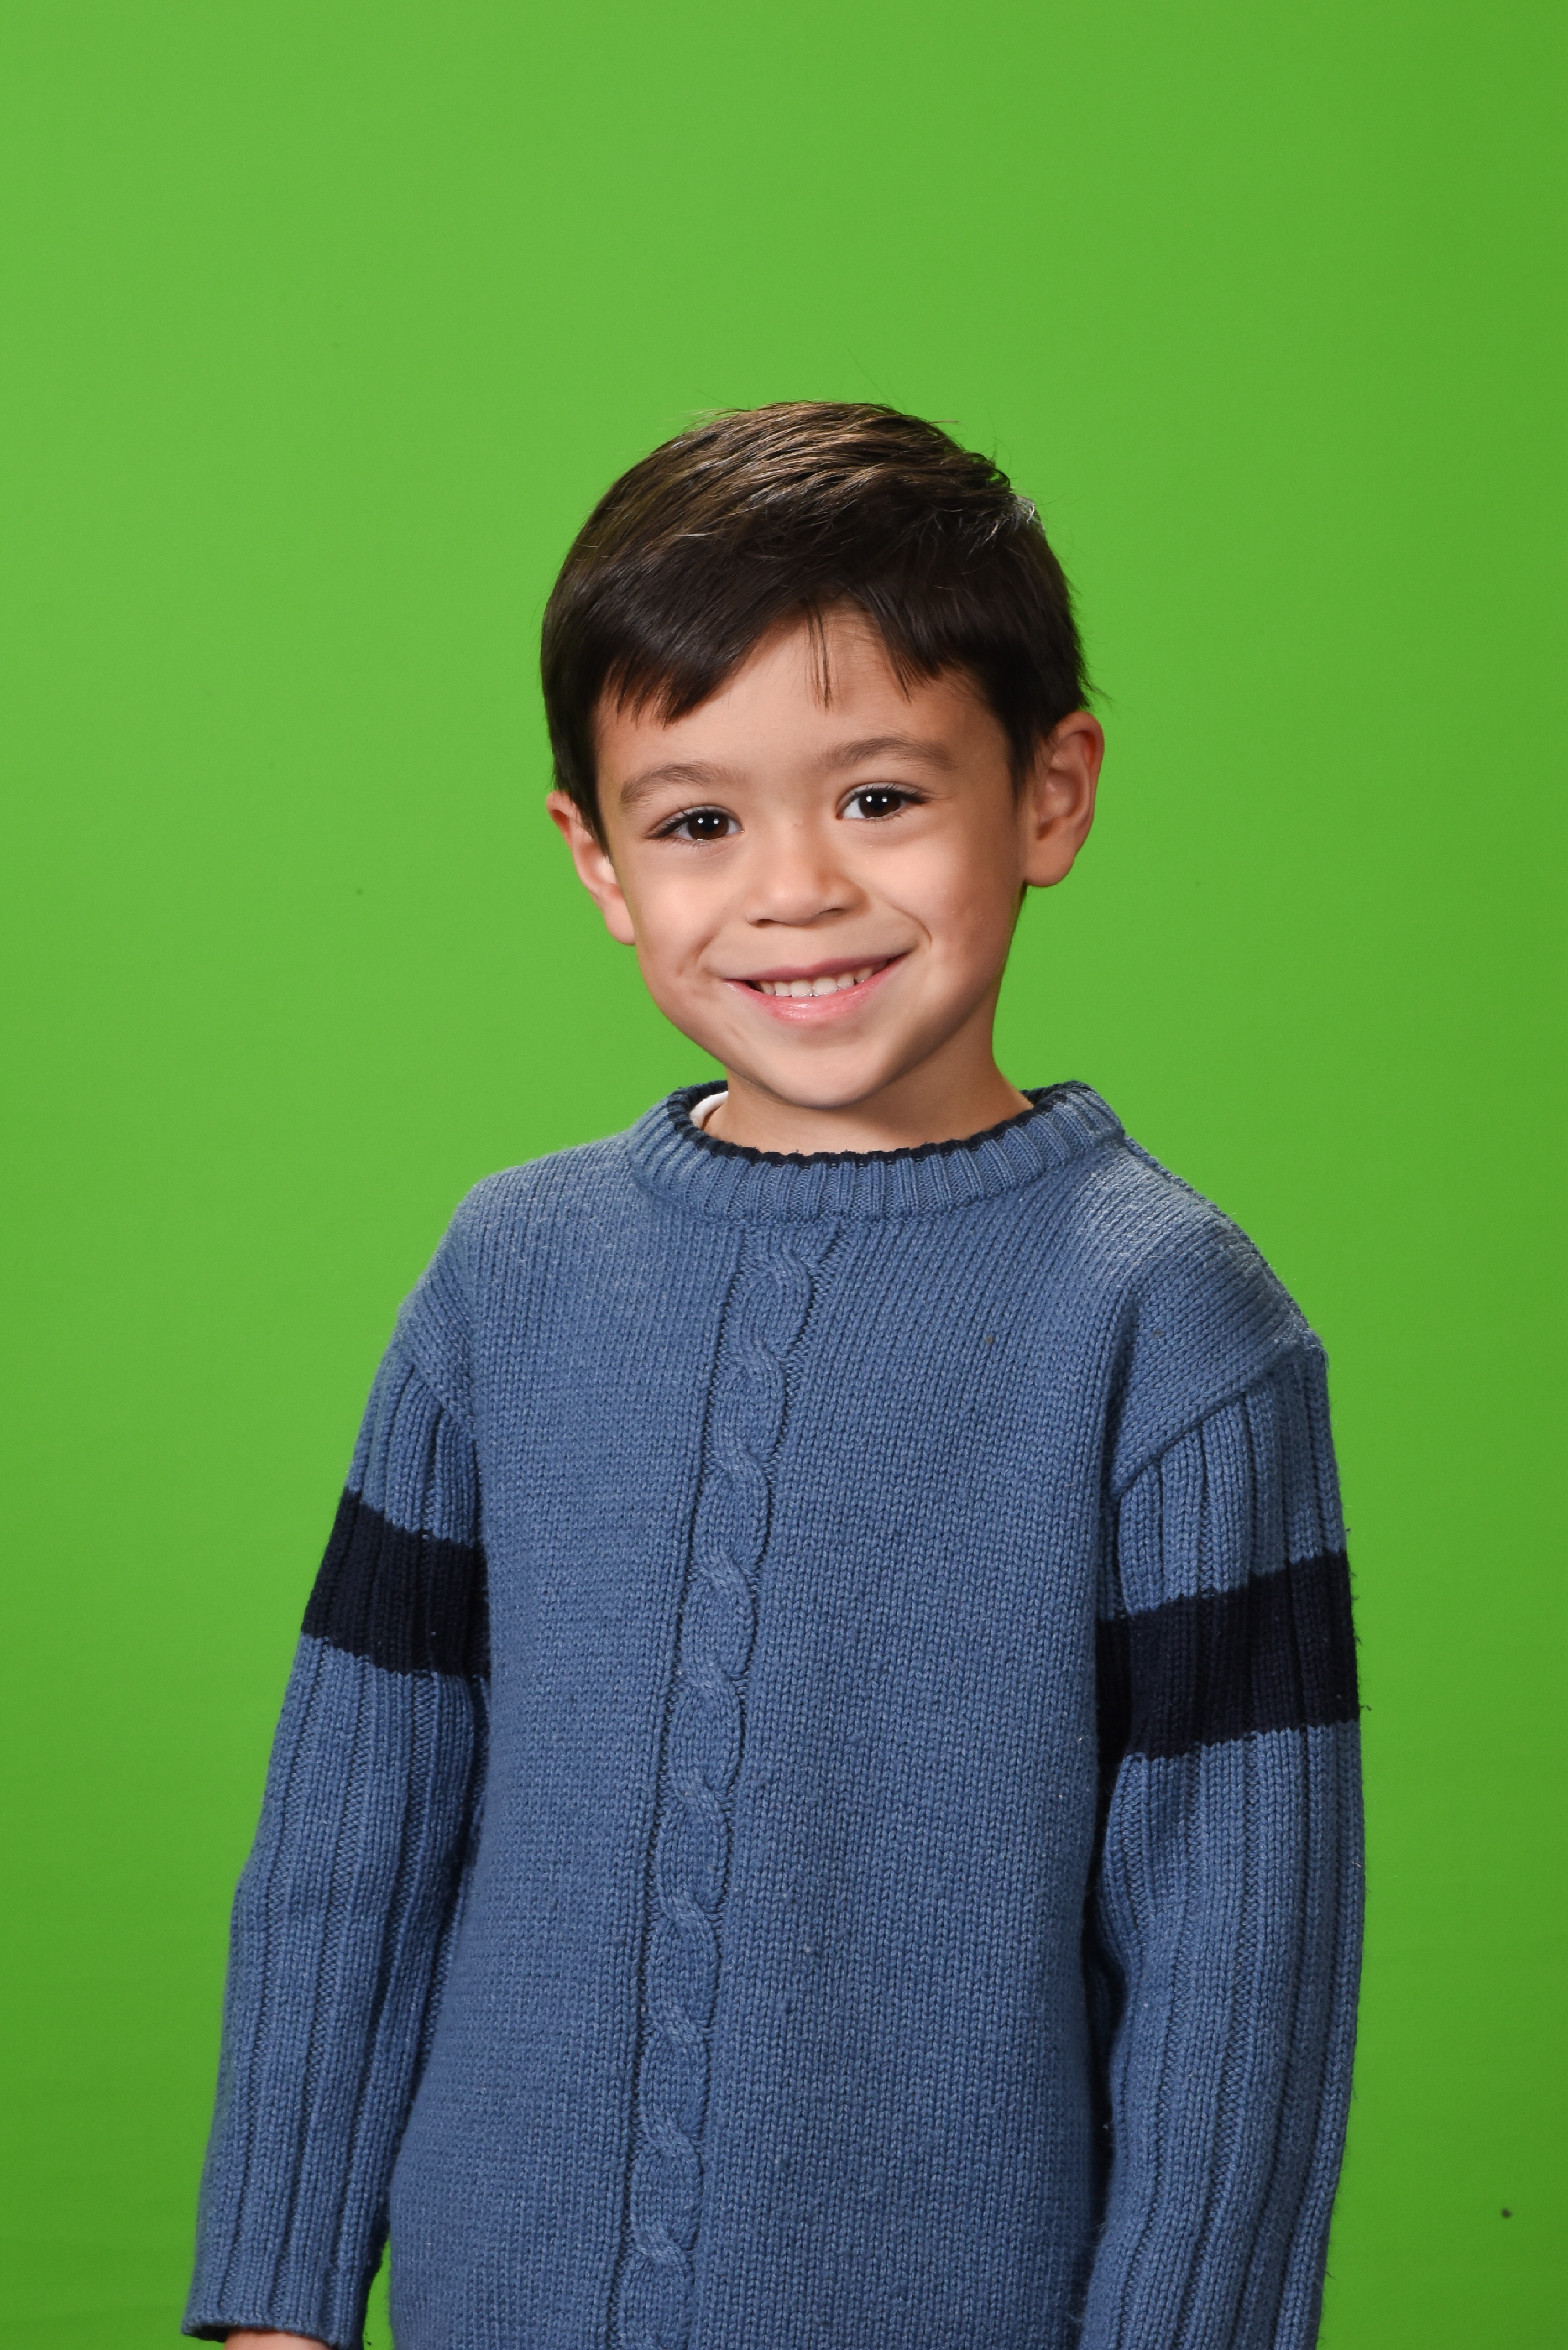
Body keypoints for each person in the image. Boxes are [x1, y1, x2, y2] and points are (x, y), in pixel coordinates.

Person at [185, 403, 1363, 2350]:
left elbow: (1243, 1962)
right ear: (595, 860)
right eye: (697, 822)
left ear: (1050, 792)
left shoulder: (1173, 1324)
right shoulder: (505, 1275)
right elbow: (353, 1827)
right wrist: (279, 2301)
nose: (792, 888)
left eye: (879, 796)